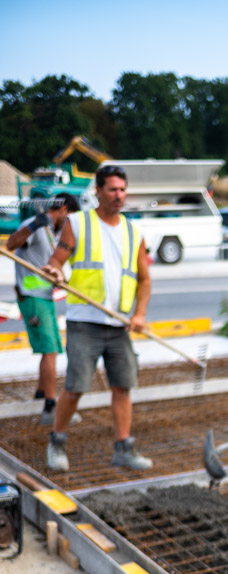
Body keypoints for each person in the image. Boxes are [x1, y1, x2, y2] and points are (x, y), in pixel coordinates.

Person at [42, 164, 152, 473]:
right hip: (85, 322)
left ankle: (123, 449)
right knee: (76, 385)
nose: (119, 196)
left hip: (118, 324)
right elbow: (57, 261)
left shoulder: (134, 231)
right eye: (112, 189)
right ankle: (57, 442)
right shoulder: (77, 223)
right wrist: (54, 271)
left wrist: (140, 313)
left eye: (122, 190)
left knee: (123, 386)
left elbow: (145, 279)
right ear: (98, 191)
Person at [7, 193, 81, 425]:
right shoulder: (35, 226)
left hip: (44, 297)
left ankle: (41, 394)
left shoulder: (51, 232)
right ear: (63, 209)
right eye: (69, 217)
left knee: (51, 348)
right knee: (50, 350)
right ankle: (50, 407)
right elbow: (11, 244)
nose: (69, 223)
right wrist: (34, 226)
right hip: (32, 297)